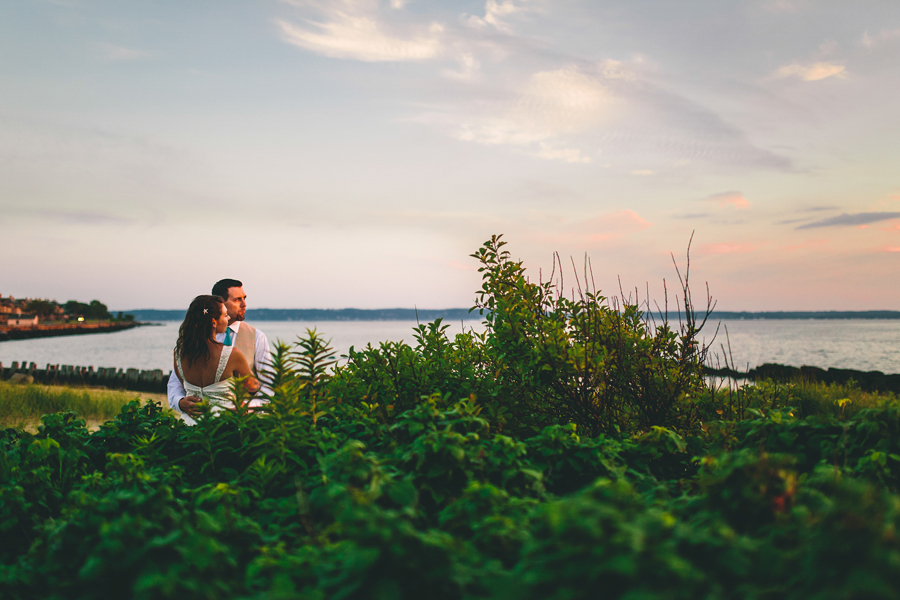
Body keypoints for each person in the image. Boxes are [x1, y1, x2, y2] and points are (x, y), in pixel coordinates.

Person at [168, 279, 271, 418]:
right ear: (220, 302)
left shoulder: (257, 337)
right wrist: (179, 402)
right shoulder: (190, 347)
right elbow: (176, 383)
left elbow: (269, 385)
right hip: (217, 424)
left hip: (237, 419)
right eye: (237, 300)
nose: (244, 304)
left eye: (244, 298)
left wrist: (249, 406)